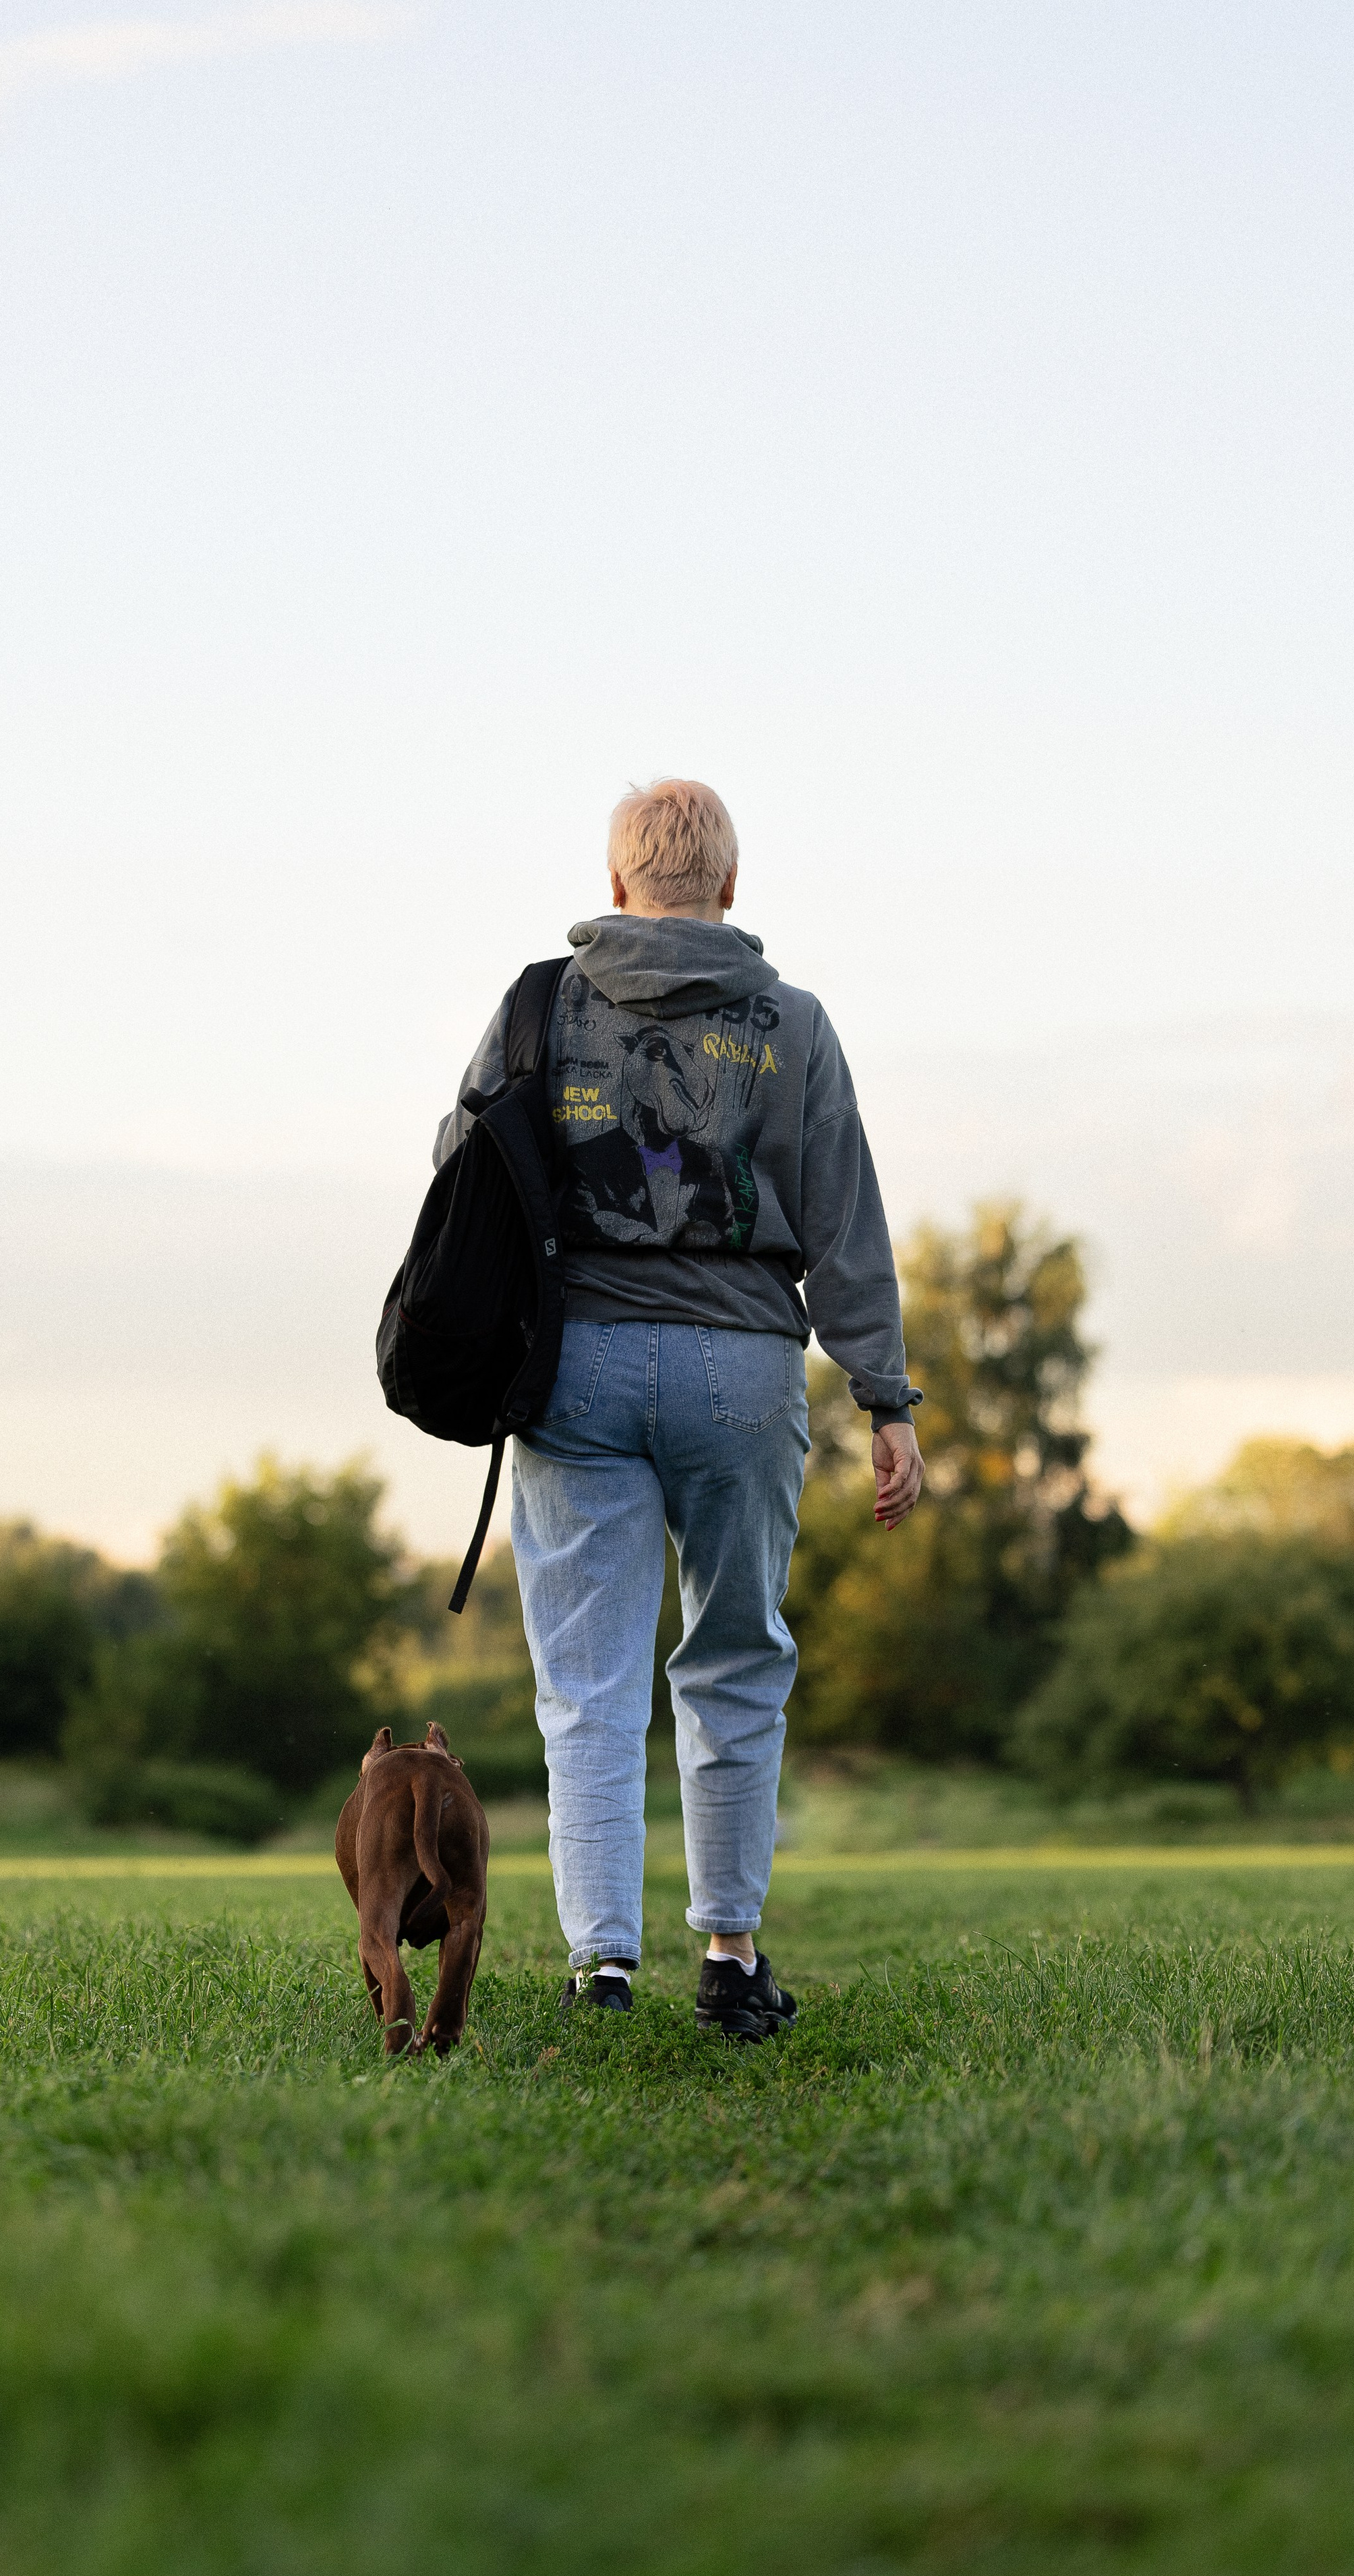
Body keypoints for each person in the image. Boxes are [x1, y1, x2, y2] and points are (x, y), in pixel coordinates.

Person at [433, 780, 922, 2038]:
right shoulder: (793, 1023)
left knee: (587, 1684)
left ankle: (601, 1965)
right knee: (736, 1657)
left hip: (575, 1363)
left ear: (614, 887)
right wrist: (886, 1395)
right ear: (730, 888)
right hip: (740, 1371)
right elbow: (845, 1218)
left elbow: (460, 1165)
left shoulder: (541, 1003)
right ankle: (729, 1955)